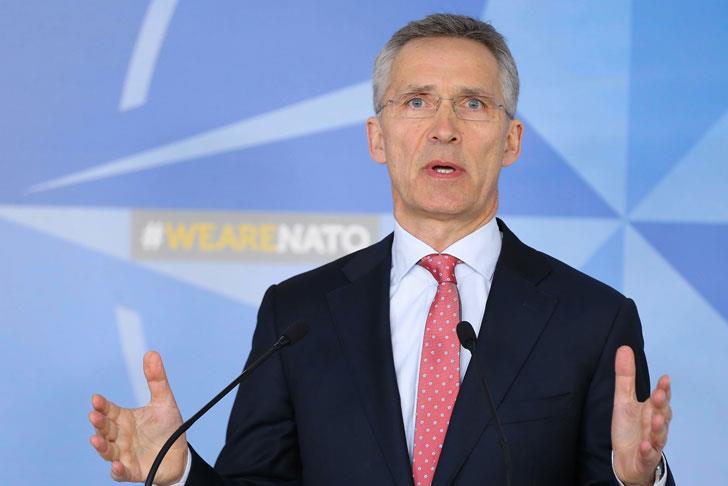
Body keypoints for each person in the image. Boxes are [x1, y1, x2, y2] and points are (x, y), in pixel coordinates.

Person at [89, 13, 673, 486]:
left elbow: (618, 473)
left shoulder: (593, 320)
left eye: (472, 103)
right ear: (377, 138)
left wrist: (637, 482)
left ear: (511, 141)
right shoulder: (297, 316)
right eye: (417, 101)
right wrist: (181, 474)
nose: (444, 128)